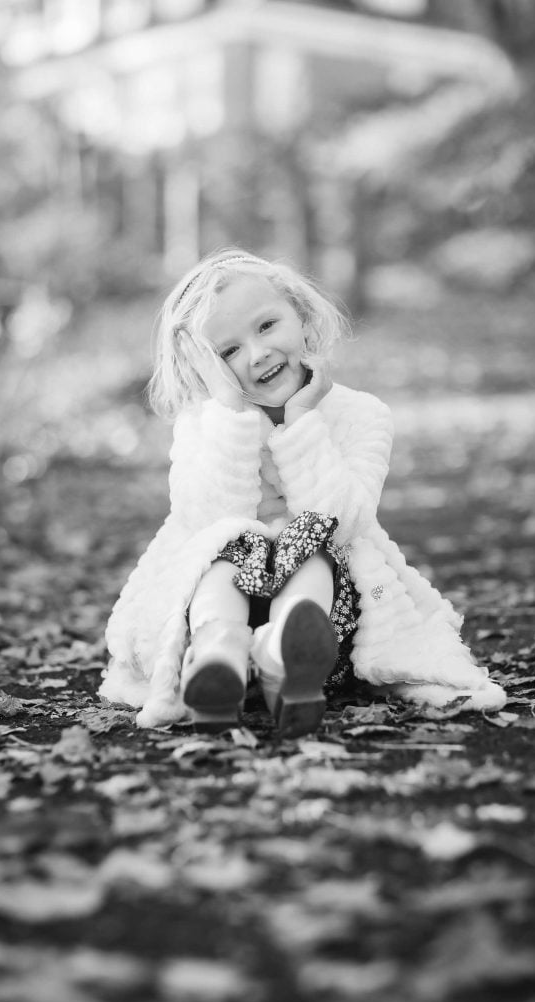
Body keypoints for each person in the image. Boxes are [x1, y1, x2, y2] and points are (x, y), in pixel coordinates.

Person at [100, 249, 506, 735]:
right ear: (204, 369)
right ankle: (216, 660)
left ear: (303, 317)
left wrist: (300, 422)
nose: (257, 353)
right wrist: (230, 414)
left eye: (267, 326)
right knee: (225, 550)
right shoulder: (205, 427)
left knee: (311, 540)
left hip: (327, 626)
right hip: (221, 615)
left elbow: (345, 519)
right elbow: (204, 522)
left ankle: (286, 654)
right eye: (228, 351)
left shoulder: (362, 416)